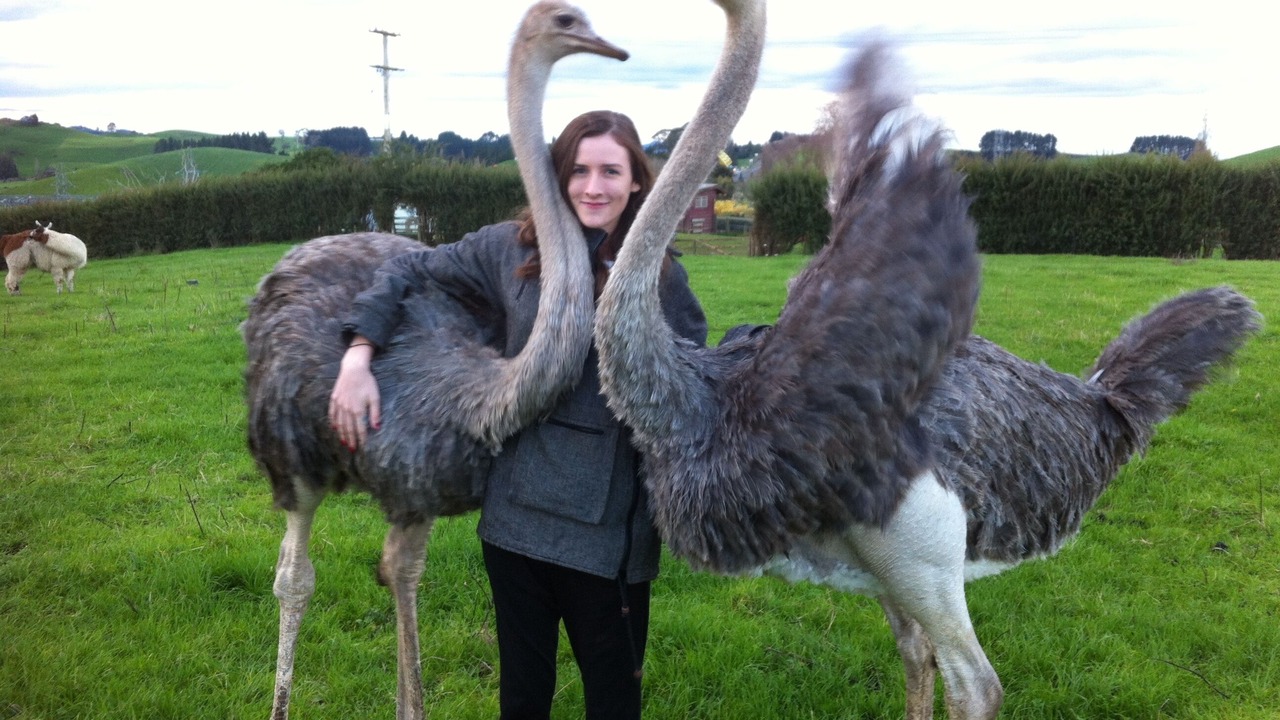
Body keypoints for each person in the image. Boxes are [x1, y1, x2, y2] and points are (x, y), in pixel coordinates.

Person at [328, 110, 707, 720]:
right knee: (523, 698)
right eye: (578, 170)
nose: (593, 186)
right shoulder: (510, 249)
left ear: (637, 181)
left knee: (613, 701)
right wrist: (359, 351)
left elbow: (689, 391)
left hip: (605, 540)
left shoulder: (657, 277)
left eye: (611, 171)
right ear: (557, 178)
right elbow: (406, 267)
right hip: (516, 523)